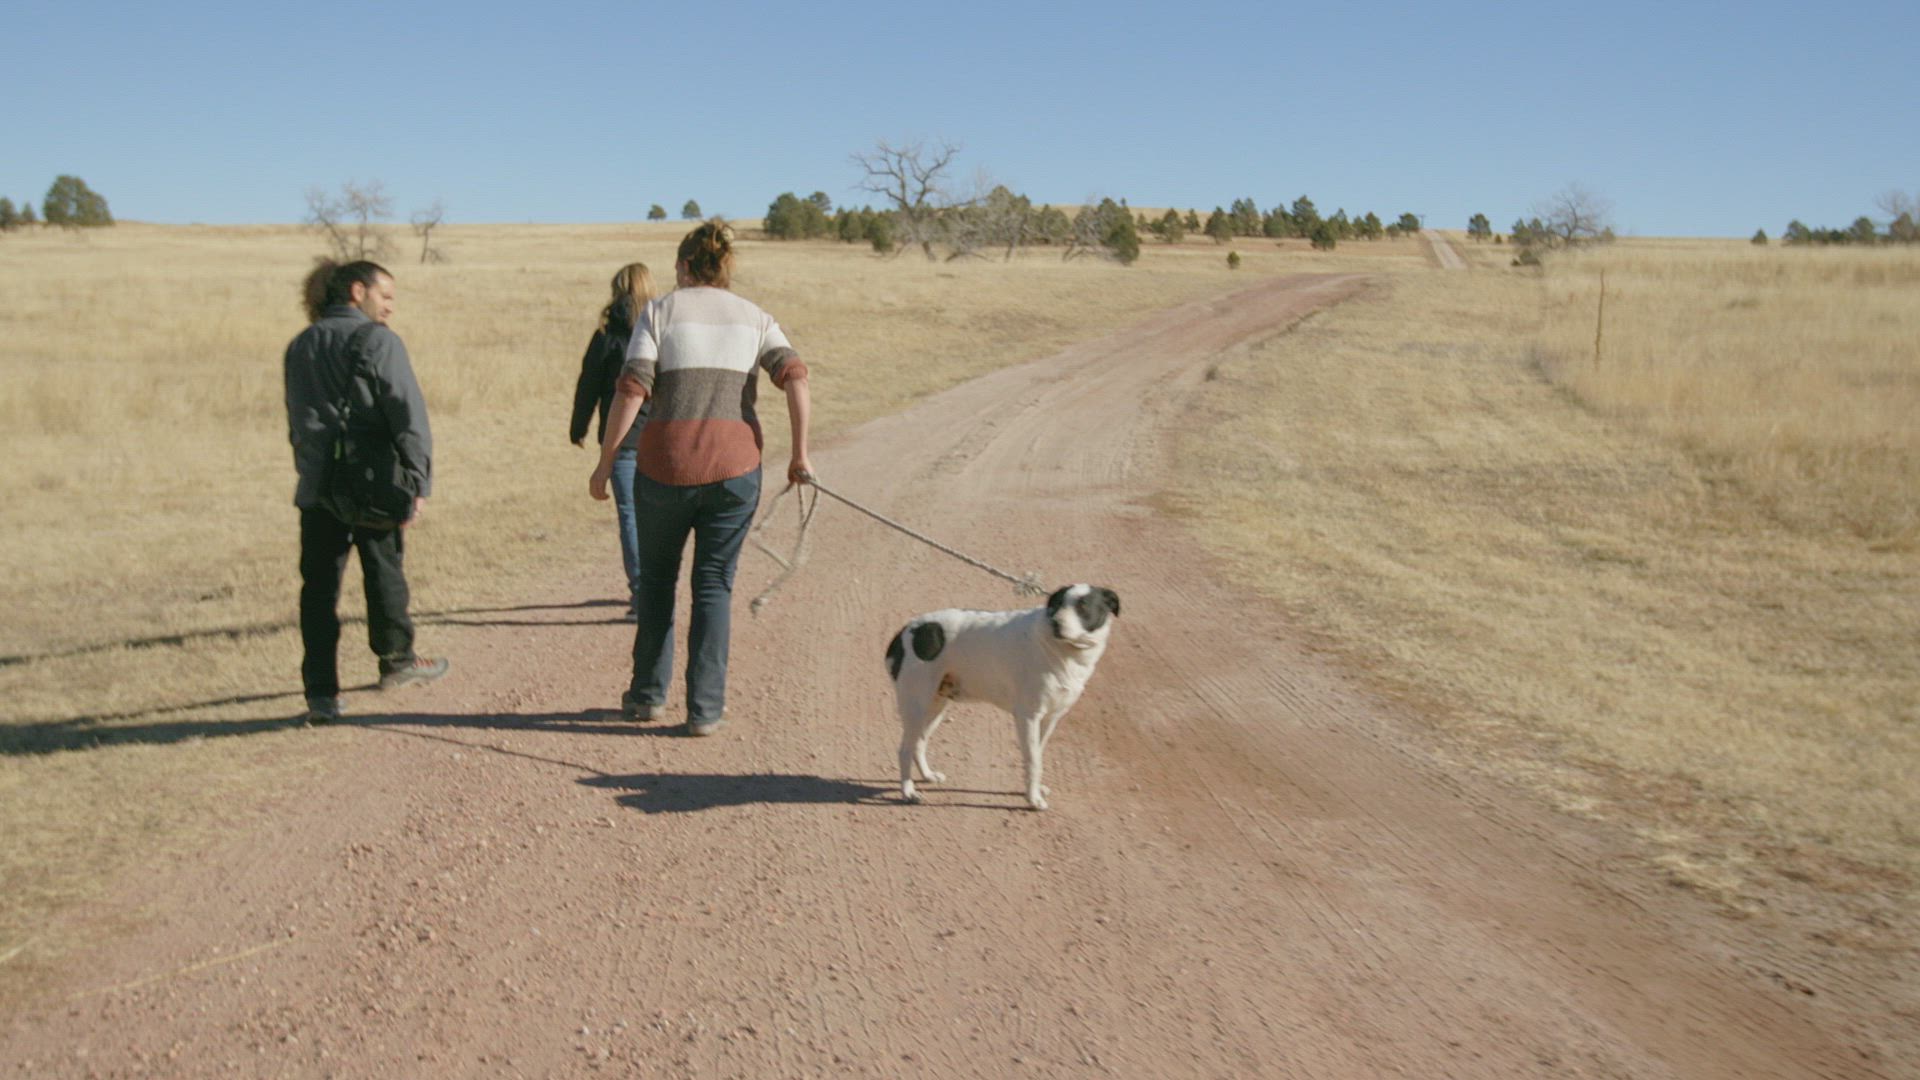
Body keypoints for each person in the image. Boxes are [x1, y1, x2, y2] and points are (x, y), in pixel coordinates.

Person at [589, 222, 812, 736]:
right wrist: (800, 454)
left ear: (684, 266)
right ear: (725, 268)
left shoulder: (660, 311)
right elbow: (796, 376)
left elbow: (631, 391)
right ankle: (705, 710)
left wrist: (605, 463)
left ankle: (647, 696)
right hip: (736, 471)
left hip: (663, 467)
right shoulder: (755, 317)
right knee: (713, 585)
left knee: (658, 582)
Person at [285, 260, 449, 723]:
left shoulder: (300, 345)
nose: (390, 307)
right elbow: (408, 415)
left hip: (317, 486)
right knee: (384, 573)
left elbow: (295, 418)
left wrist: (311, 468)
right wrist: (418, 480)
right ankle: (396, 662)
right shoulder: (380, 341)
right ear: (358, 291)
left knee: (317, 591)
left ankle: (321, 693)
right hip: (373, 482)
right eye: (387, 296)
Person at [570, 263, 658, 619]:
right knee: (659, 518)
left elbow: (588, 384)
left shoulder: (607, 334)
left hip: (619, 439)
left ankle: (642, 595)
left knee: (630, 517)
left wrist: (579, 427)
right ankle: (657, 590)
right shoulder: (662, 331)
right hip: (661, 438)